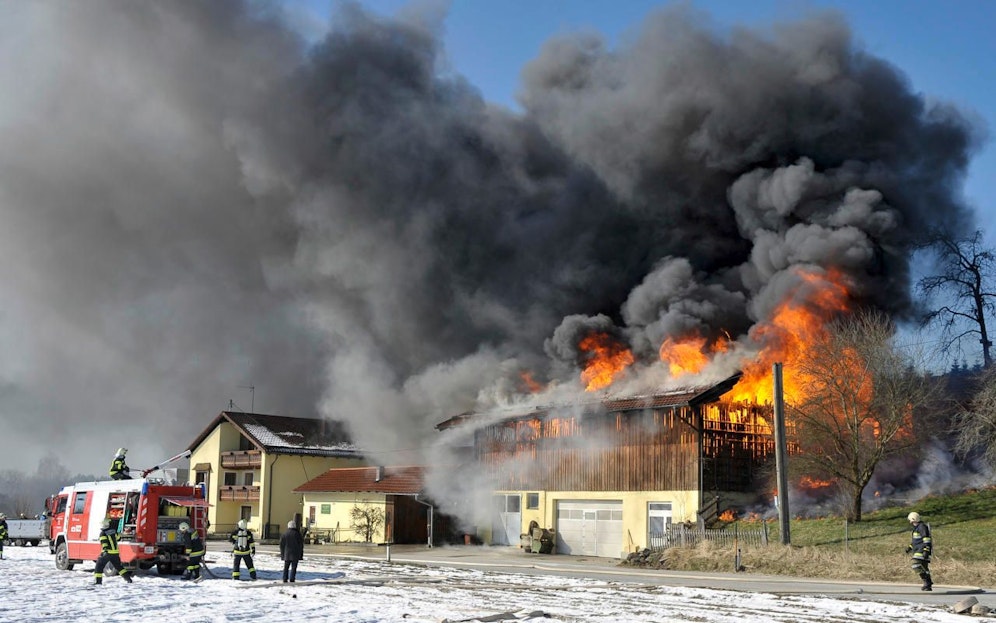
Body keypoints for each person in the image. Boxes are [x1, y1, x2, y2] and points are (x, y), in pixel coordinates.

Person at [94, 518, 134, 585]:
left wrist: (105, 550)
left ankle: (98, 582)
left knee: (99, 566)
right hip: (115, 553)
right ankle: (128, 579)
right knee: (119, 567)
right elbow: (118, 538)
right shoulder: (113, 531)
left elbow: (104, 543)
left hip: (107, 553)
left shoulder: (102, 533)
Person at [905, 511, 932, 591]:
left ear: (914, 519)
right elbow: (915, 541)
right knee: (924, 568)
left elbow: (926, 539)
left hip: (921, 550)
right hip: (918, 549)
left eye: (911, 520)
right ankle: (927, 585)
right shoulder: (917, 528)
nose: (910, 522)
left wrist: (926, 550)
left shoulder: (922, 527)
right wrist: (909, 548)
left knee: (915, 565)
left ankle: (927, 582)